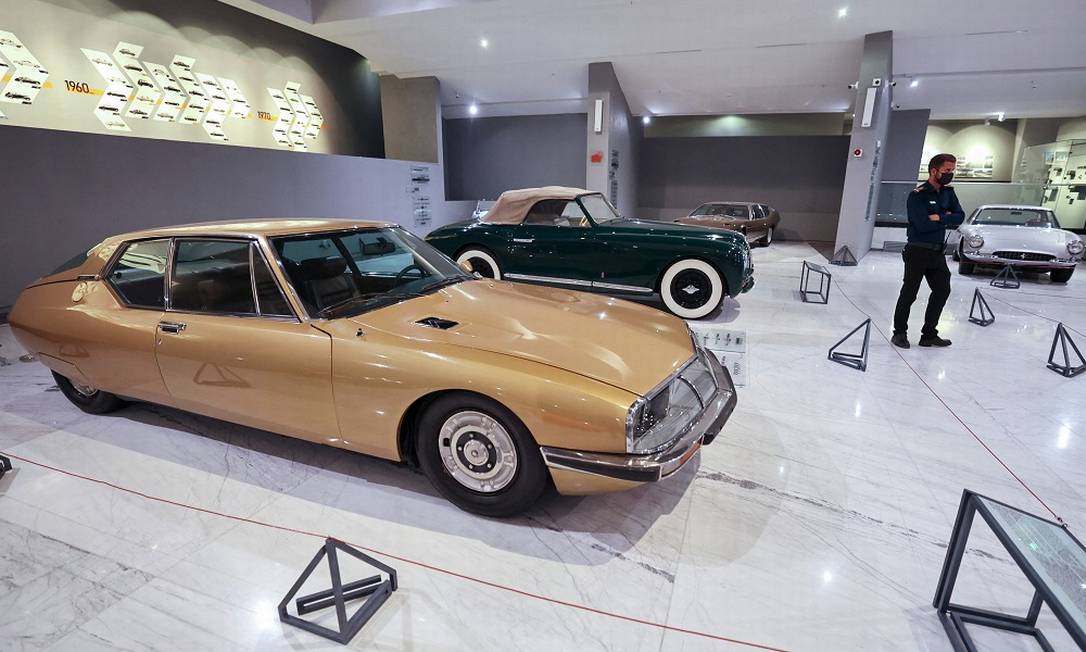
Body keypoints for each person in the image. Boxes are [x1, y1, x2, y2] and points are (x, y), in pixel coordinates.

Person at [891, 153, 965, 349]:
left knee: (942, 290)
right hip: (917, 251)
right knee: (909, 293)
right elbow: (922, 224)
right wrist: (946, 216)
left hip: (937, 253)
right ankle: (899, 333)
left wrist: (938, 217)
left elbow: (960, 217)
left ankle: (929, 335)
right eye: (947, 170)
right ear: (934, 171)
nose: (950, 174)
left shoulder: (948, 193)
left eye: (952, 170)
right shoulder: (918, 194)